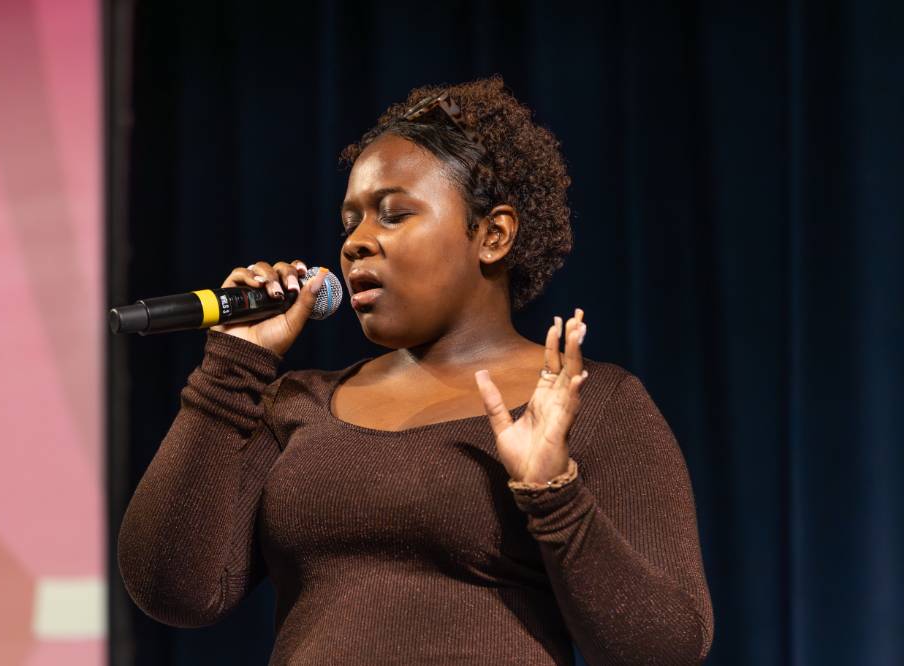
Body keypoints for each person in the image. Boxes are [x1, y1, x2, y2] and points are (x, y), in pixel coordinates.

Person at [117, 75, 714, 664]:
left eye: (393, 215)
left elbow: (666, 647)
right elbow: (172, 590)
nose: (356, 243)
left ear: (493, 234)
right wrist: (233, 368)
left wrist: (552, 493)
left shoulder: (590, 401)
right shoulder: (297, 401)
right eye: (349, 223)